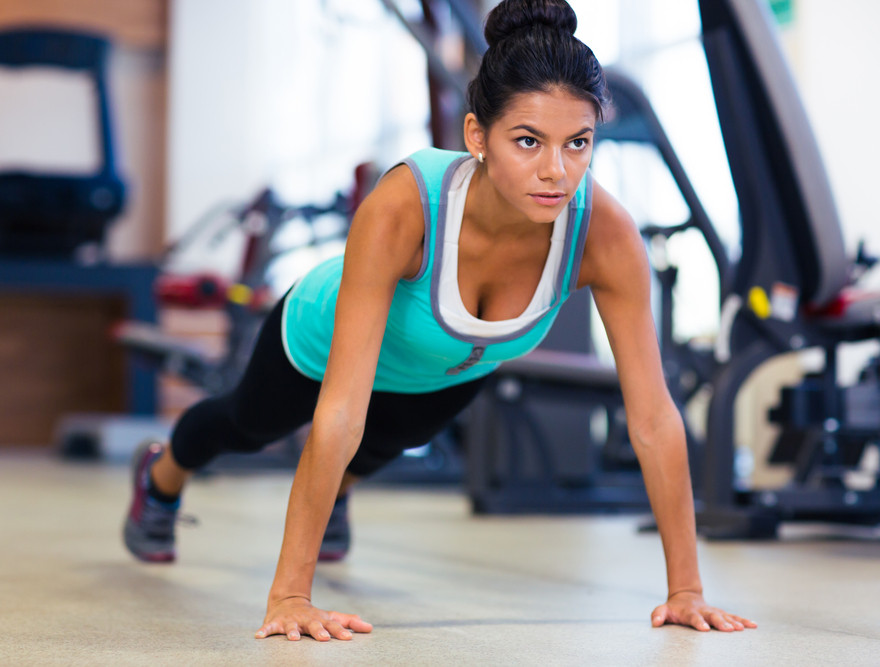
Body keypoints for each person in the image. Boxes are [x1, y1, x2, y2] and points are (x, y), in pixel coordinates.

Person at [123, 0, 757, 641]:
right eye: (528, 141)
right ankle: (160, 475)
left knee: (379, 449)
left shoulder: (606, 234)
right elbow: (342, 406)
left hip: (447, 370)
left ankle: (335, 494)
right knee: (246, 426)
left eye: (579, 143)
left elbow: (651, 415)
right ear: (478, 136)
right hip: (317, 340)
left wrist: (686, 590)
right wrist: (291, 595)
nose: (556, 171)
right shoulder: (408, 205)